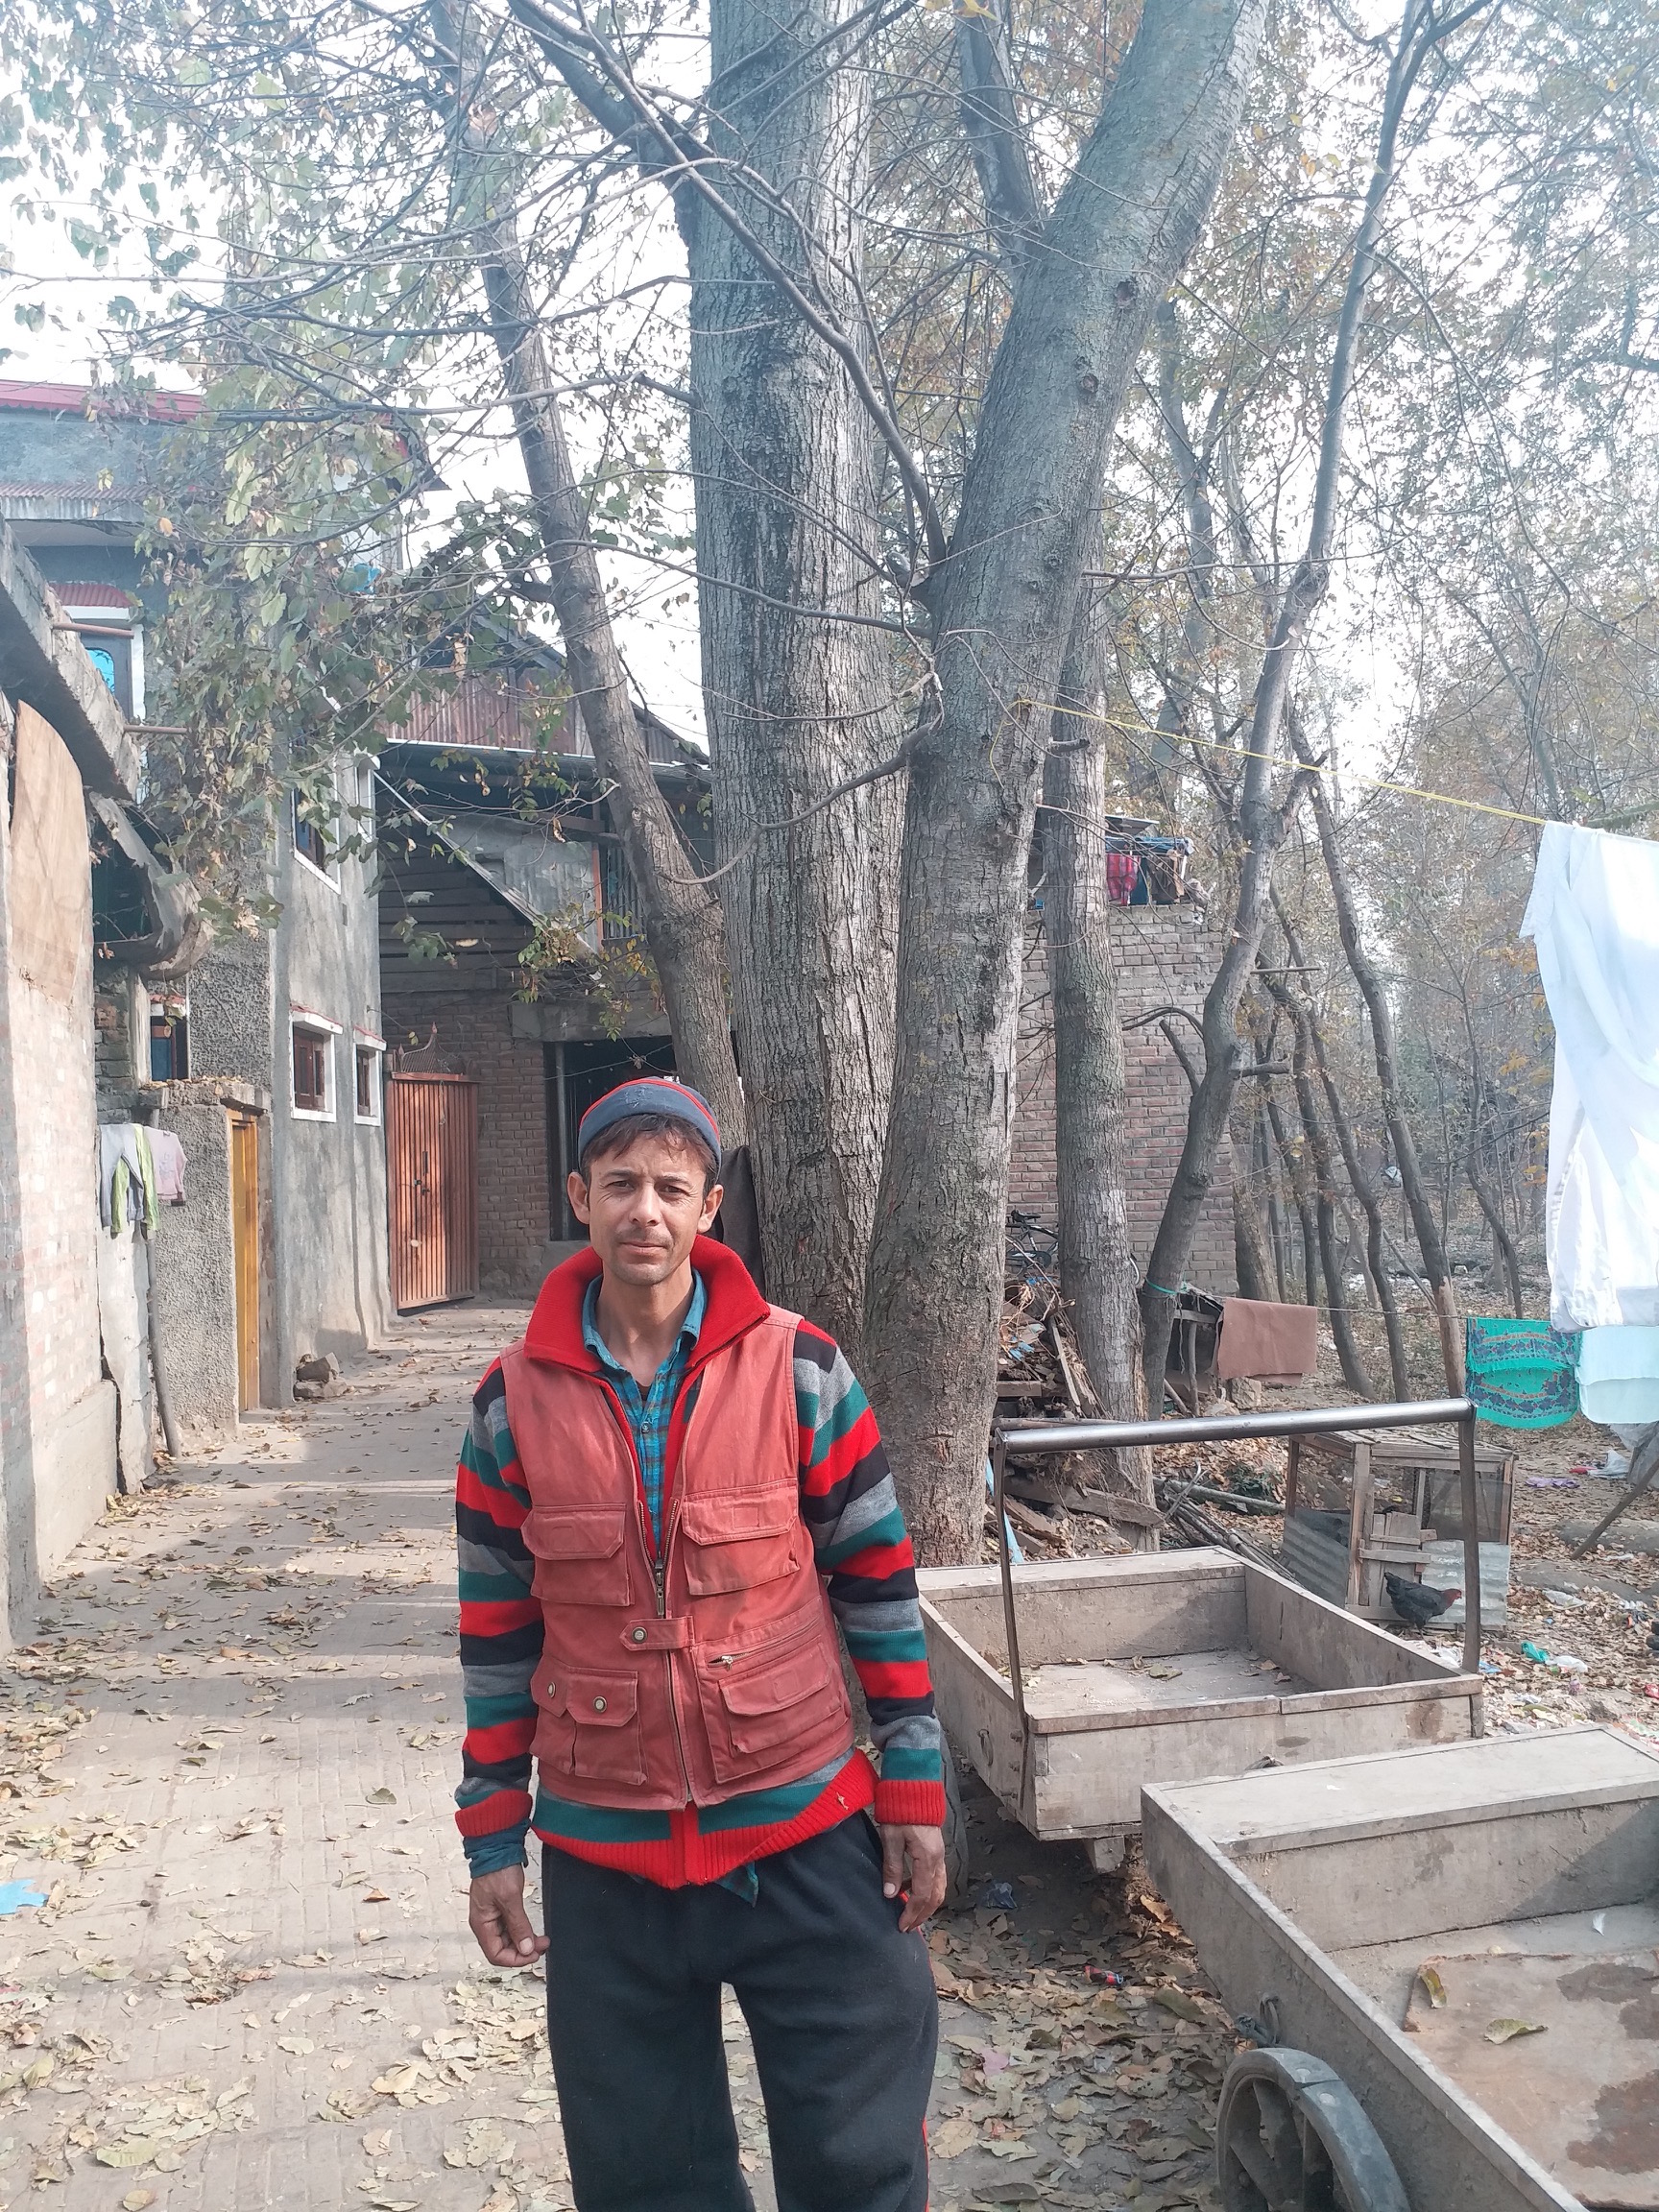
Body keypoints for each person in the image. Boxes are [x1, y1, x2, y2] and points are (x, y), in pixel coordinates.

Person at [454, 1076, 946, 2212]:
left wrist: (914, 1788)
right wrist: (492, 1840)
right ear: (580, 1196)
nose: (646, 1210)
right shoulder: (507, 1405)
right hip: (606, 1860)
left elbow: (879, 1586)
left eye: (672, 1188)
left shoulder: (802, 1368)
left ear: (710, 1207)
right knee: (645, 2184)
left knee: (860, 2166)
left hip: (803, 1831)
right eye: (620, 1184)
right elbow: (495, 1639)